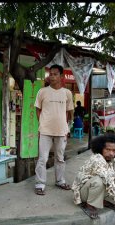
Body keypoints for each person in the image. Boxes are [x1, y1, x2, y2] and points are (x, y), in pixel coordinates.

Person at [34, 64, 74, 195]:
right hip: (45, 131)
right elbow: (38, 110)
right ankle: (40, 184)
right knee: (42, 159)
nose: (52, 76)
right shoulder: (42, 92)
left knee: (60, 158)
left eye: (55, 74)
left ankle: (60, 181)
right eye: (50, 74)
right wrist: (42, 124)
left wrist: (67, 128)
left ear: (61, 76)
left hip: (61, 131)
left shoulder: (67, 93)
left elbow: (69, 112)